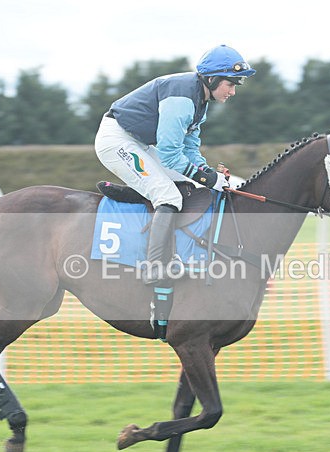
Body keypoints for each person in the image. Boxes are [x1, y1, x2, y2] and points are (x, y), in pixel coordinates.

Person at [95, 44, 256, 285]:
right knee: (168, 195)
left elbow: (189, 150)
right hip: (117, 140)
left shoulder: (200, 101)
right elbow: (171, 155)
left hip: (138, 142)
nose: (233, 91)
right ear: (212, 79)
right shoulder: (182, 98)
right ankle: (155, 267)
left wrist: (207, 174)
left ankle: (140, 195)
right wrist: (209, 179)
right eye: (230, 84)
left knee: (190, 181)